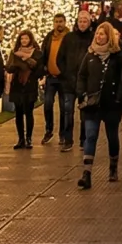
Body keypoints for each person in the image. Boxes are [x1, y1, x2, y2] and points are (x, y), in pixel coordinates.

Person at [75, 21, 122, 188]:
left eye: (102, 34)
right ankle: (87, 173)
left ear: (109, 36)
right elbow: (82, 76)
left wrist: (119, 97)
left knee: (112, 136)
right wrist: (81, 93)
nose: (99, 36)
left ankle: (113, 166)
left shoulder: (117, 56)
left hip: (111, 104)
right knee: (90, 135)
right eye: (97, 33)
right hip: (92, 104)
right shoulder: (90, 55)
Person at [55, 12, 94, 150]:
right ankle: (67, 139)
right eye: (80, 21)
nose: (82, 23)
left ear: (89, 23)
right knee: (67, 111)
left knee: (85, 112)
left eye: (85, 21)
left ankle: (84, 139)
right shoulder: (69, 38)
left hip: (85, 82)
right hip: (69, 81)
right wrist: (65, 73)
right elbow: (60, 57)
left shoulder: (93, 37)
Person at [6, 30, 43, 149]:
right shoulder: (14, 53)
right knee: (18, 113)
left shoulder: (36, 53)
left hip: (30, 86)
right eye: (22, 39)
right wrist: (16, 65)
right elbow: (9, 67)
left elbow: (38, 68)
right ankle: (20, 138)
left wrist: (26, 58)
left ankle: (29, 138)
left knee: (29, 112)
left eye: (26, 39)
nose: (24, 41)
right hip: (17, 86)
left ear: (30, 39)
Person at [41, 13, 72, 147]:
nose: (58, 24)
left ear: (64, 22)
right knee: (47, 104)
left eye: (60, 21)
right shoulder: (49, 37)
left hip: (64, 78)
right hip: (51, 77)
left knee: (64, 107)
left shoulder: (69, 37)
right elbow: (44, 53)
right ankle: (49, 130)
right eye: (56, 21)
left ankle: (63, 134)